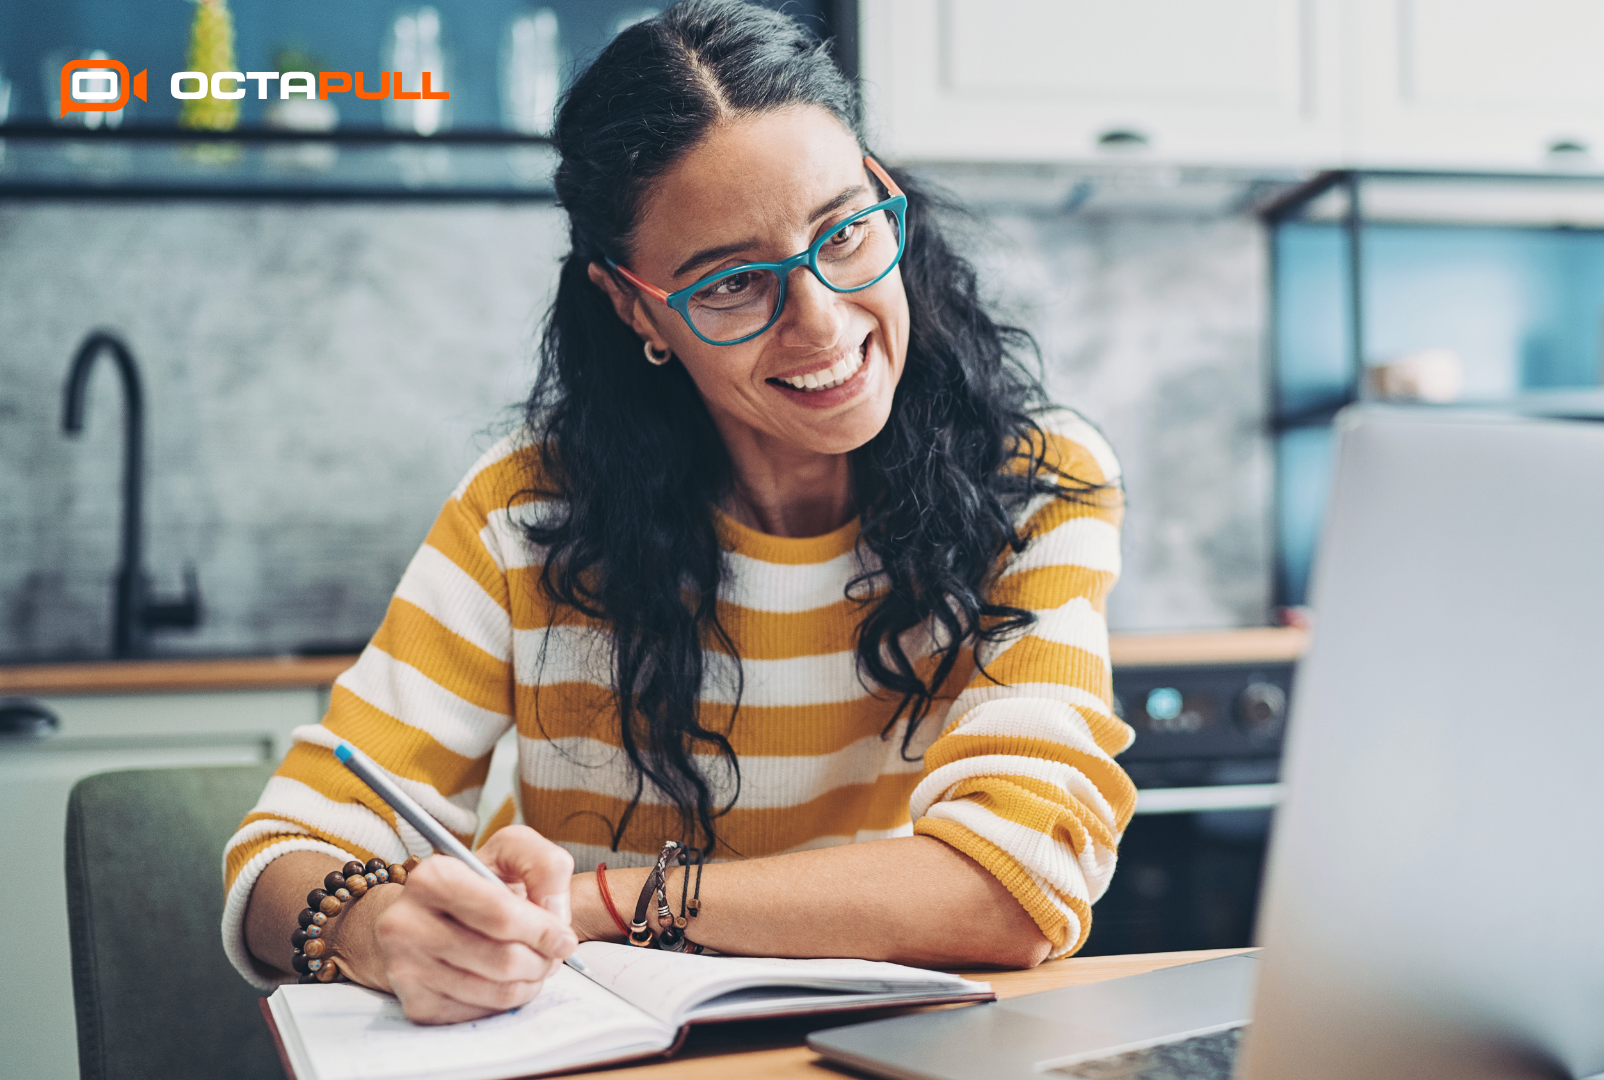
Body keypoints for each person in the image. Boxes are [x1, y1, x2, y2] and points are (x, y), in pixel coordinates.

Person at [222, 0, 1131, 1024]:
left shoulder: (1035, 481)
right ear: (634, 304)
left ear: (884, 194)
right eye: (736, 284)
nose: (823, 322)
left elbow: (1011, 888)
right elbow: (277, 857)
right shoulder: (525, 509)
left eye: (844, 229)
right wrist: (377, 930)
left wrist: (605, 898)